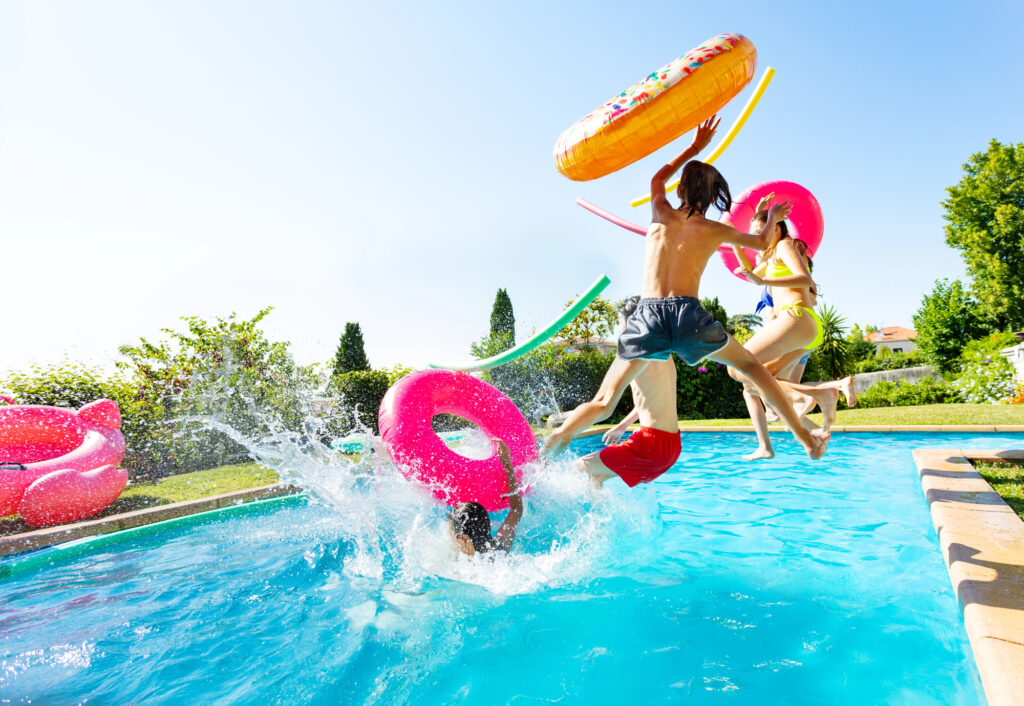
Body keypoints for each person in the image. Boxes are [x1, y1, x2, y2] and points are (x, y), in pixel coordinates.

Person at [543, 116, 829, 460]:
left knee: (604, 402)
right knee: (751, 368)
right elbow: (762, 240)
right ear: (712, 199)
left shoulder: (661, 211)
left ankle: (558, 437)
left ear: (680, 190)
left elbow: (656, 177)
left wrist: (695, 148)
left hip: (646, 315)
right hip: (687, 315)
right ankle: (805, 438)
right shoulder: (713, 229)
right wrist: (771, 217)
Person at [729, 198, 856, 459]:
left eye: (760, 233)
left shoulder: (786, 245)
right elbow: (751, 270)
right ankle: (768, 445)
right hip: (804, 326)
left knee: (736, 366)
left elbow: (804, 277)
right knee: (755, 385)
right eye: (754, 235)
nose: (757, 238)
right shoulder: (772, 254)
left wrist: (761, 279)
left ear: (776, 228)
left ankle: (817, 394)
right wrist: (735, 242)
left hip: (795, 318)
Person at [573, 296, 681, 487]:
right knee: (596, 478)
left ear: (633, 322)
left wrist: (566, 432)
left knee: (575, 468)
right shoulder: (664, 354)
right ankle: (597, 517)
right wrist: (623, 426)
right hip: (671, 446)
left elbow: (604, 404)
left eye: (620, 323)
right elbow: (647, 402)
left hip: (651, 445)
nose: (618, 329)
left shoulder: (637, 351)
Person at [448, 439, 523, 556]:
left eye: (451, 533)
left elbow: (516, 510)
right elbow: (516, 510)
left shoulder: (461, 570)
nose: (449, 537)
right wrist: (507, 464)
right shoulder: (499, 549)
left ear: (463, 538)